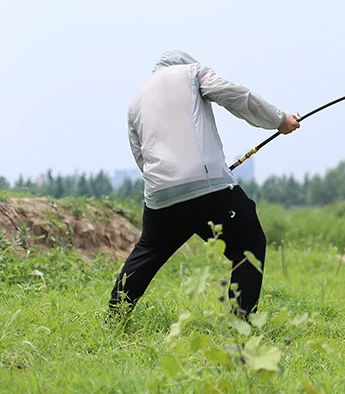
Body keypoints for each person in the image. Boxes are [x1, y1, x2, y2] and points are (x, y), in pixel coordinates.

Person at [108, 50, 300, 317]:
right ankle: (241, 322)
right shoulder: (193, 72)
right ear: (185, 63)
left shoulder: (136, 101)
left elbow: (140, 154)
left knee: (148, 251)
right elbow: (235, 95)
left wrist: (169, 184)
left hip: (161, 194)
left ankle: (115, 316)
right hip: (208, 186)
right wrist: (279, 120)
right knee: (249, 244)